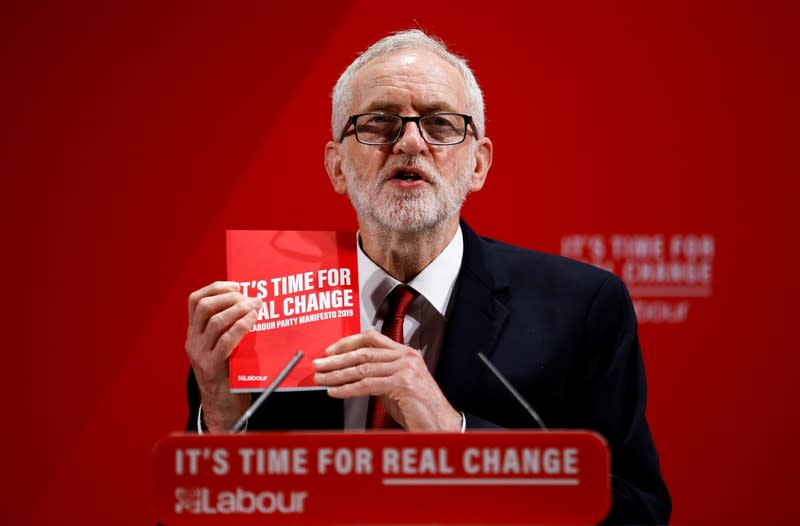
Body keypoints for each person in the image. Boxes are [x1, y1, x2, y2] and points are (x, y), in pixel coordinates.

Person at [184, 29, 671, 524]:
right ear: (336, 166)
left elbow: (636, 512)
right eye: (379, 122)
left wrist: (453, 436)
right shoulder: (262, 315)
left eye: (440, 124)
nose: (410, 142)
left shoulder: (580, 308)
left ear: (478, 164)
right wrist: (223, 428)